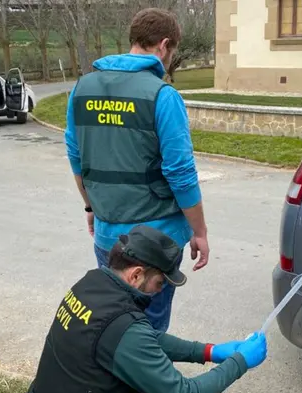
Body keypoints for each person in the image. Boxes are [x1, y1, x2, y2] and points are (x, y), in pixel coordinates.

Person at [20, 225, 267, 393]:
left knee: (148, 389)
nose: (160, 291)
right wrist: (240, 362)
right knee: (155, 391)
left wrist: (209, 352)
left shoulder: (90, 284)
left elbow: (145, 339)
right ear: (136, 275)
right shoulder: (122, 327)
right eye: (160, 282)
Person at [63, 7, 209, 336]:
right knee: (149, 333)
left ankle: (115, 387)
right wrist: (199, 231)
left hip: (107, 237)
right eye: (172, 53)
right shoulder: (162, 96)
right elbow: (181, 173)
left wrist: (90, 206)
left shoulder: (82, 89)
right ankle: (146, 387)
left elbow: (76, 156)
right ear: (164, 45)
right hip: (157, 242)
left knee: (113, 325)